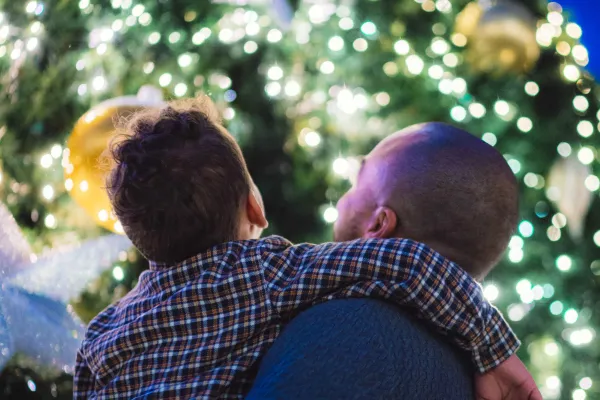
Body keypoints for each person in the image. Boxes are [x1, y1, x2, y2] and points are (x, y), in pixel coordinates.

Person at [72, 96, 538, 399]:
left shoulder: (103, 330)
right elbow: (413, 264)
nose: (346, 185)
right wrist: (492, 349)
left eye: (359, 175)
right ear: (255, 207)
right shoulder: (271, 274)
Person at [248, 123, 535, 399]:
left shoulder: (347, 330)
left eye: (356, 182)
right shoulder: (477, 377)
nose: (342, 197)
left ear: (378, 224)